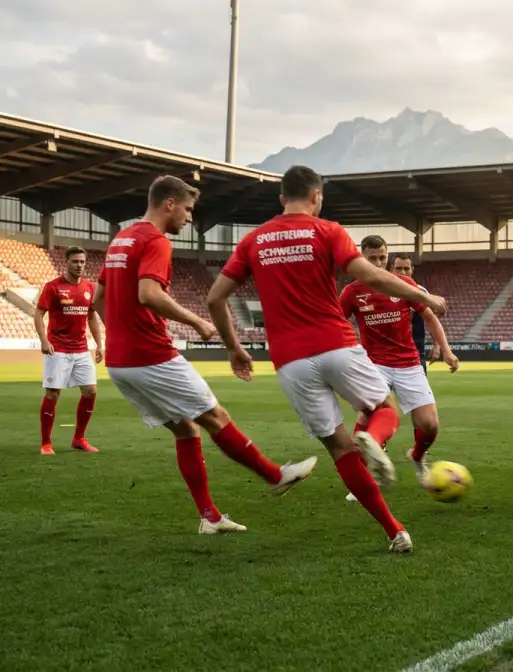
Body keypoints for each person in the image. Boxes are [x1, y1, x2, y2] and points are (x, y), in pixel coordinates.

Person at [206, 165, 448, 553]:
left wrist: (235, 348)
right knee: (382, 407)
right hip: (335, 343)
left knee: (339, 449)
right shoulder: (327, 230)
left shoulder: (253, 240)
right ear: (317, 196)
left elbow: (215, 298)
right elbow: (370, 276)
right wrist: (422, 296)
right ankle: (375, 437)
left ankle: (394, 531)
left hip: (289, 360)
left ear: (281, 198)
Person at [93, 175, 316, 535]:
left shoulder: (121, 239)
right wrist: (196, 321)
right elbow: (149, 294)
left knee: (186, 429)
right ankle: (275, 476)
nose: (189, 218)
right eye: (188, 209)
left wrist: (120, 333)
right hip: (150, 356)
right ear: (169, 203)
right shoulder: (156, 242)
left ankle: (209, 517)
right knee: (215, 415)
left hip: (122, 363)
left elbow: (100, 298)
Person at [339, 236, 458, 495]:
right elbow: (336, 322)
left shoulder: (403, 285)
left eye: (382, 257)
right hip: (374, 365)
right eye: (373, 258)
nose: (379, 263)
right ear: (362, 258)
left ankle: (416, 455)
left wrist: (446, 350)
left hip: (409, 364)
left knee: (430, 425)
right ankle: (363, 480)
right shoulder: (352, 292)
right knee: (368, 417)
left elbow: (429, 316)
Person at [34, 246, 104, 455]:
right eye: (75, 262)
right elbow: (38, 314)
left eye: (82, 262)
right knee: (53, 393)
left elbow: (91, 316)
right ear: (66, 262)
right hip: (59, 349)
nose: (79, 265)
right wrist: (44, 341)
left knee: (90, 390)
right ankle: (46, 443)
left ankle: (79, 438)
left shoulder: (90, 288)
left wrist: (99, 344)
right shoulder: (53, 287)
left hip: (81, 349)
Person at [390, 252, 440, 370]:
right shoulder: (382, 291)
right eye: (398, 269)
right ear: (391, 269)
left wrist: (437, 345)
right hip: (387, 354)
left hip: (416, 353)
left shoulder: (421, 292)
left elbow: (431, 318)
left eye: (406, 269)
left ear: (412, 269)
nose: (402, 272)